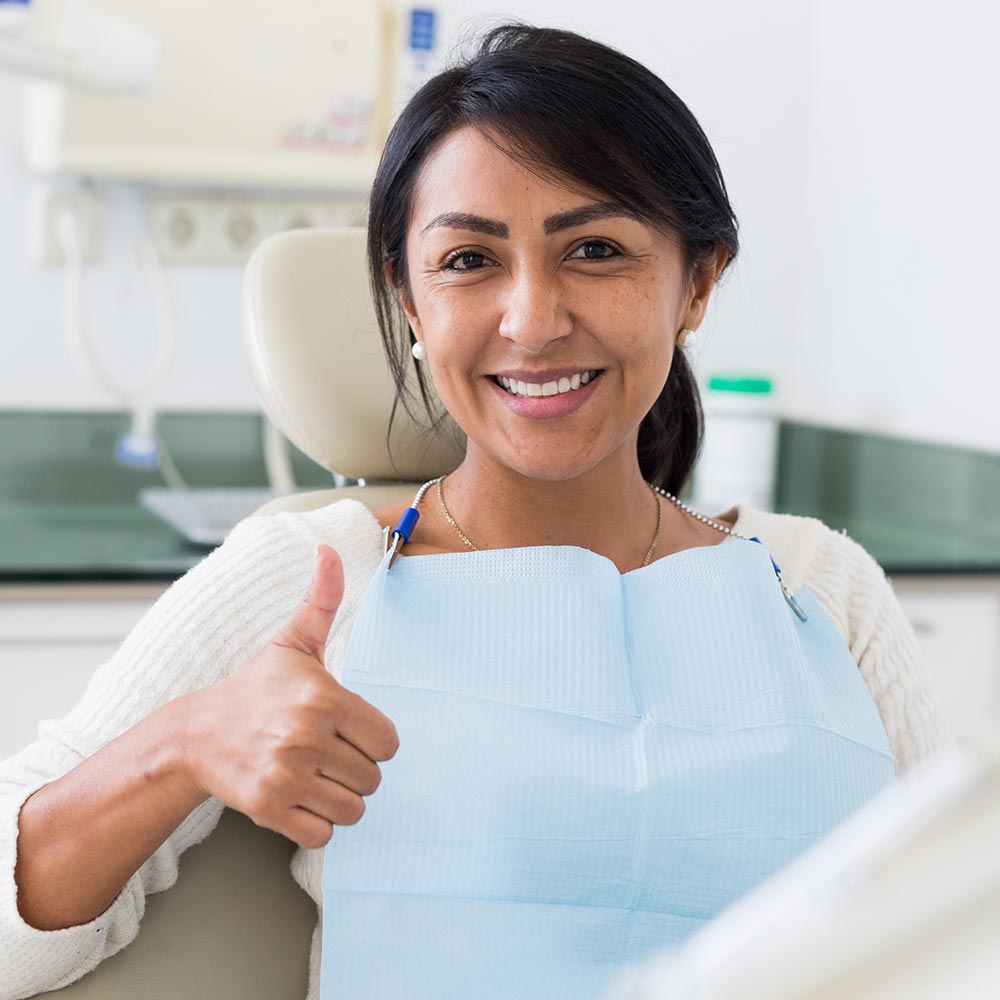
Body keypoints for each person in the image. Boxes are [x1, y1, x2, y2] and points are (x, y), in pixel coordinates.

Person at [0, 23, 952, 1000]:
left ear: (695, 282)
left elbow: (955, 932)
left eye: (593, 248)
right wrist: (182, 743)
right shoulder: (316, 577)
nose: (533, 321)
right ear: (407, 300)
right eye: (467, 260)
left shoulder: (822, 589)